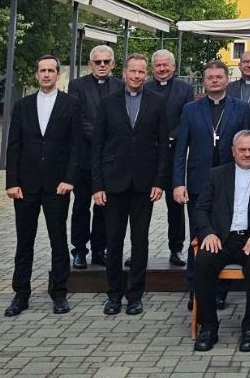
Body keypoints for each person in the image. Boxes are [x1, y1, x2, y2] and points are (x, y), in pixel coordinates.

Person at [4, 55, 82, 317]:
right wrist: (12, 182)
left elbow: (76, 146)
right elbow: (13, 145)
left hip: (57, 185)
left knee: (58, 240)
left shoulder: (71, 104)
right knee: (24, 241)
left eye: (51, 70)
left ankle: (59, 293)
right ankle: (20, 294)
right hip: (25, 186)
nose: (46, 74)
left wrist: (70, 179)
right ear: (36, 75)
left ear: (58, 74)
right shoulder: (23, 105)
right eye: (42, 71)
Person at [92, 53, 169, 316]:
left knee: (140, 241)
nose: (136, 76)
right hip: (113, 183)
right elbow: (98, 146)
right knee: (113, 242)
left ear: (146, 75)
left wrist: (159, 181)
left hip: (144, 184)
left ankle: (135, 295)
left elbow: (162, 147)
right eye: (132, 71)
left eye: (141, 72)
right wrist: (97, 185)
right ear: (123, 73)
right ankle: (113, 294)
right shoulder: (108, 102)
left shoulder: (157, 103)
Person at [192, 130, 250, 353]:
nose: (247, 153)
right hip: (220, 238)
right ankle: (209, 326)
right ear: (233, 152)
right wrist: (208, 233)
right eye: (243, 149)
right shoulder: (216, 174)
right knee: (202, 263)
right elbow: (201, 208)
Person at [173, 59, 250, 305]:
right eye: (210, 78)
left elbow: (248, 148)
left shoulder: (241, 108)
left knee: (225, 237)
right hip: (198, 183)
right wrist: (178, 182)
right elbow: (180, 149)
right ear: (204, 81)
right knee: (199, 236)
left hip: (231, 185)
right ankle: (196, 290)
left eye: (219, 77)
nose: (215, 81)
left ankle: (219, 291)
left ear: (227, 79)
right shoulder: (190, 110)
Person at [67, 44, 123, 268]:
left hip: (110, 160)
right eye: (97, 62)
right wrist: (102, 136)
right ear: (90, 64)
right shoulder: (77, 86)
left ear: (113, 64)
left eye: (106, 62)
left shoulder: (120, 86)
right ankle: (79, 250)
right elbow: (78, 118)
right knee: (81, 205)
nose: (102, 65)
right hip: (85, 157)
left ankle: (100, 249)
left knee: (105, 207)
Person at [144, 48, 195, 267]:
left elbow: (187, 118)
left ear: (173, 67)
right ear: (152, 68)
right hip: (149, 155)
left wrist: (171, 137)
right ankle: (140, 250)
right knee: (142, 207)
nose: (162, 69)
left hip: (174, 154)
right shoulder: (144, 88)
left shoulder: (185, 89)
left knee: (176, 205)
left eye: (166, 65)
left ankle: (176, 249)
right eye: (158, 65)